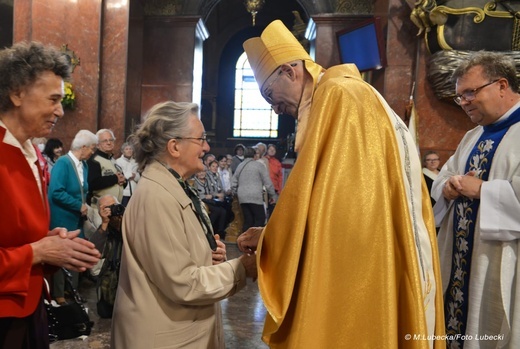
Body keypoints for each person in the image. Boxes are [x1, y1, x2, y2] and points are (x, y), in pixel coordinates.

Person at [237, 20, 445, 348]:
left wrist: (270, 244)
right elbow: (328, 202)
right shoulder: (343, 94)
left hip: (358, 267)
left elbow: (344, 215)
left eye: (269, 95)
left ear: (290, 71)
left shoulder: (340, 97)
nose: (275, 109)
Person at [111, 100, 257, 348]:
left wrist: (207, 252)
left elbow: (174, 256)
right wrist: (243, 267)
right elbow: (183, 283)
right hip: (164, 336)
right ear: (174, 146)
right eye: (200, 139)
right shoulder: (157, 197)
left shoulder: (174, 186)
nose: (207, 146)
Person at [0, 41, 100, 349]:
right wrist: (38, 252)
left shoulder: (34, 155)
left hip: (30, 310)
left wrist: (52, 242)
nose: (60, 110)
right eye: (53, 99)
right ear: (17, 94)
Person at [431, 51, 520, 348]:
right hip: (461, 261)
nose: (464, 101)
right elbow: (445, 177)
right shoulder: (472, 136)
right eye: (460, 96)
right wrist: (448, 188)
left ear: (502, 85)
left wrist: (482, 190)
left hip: (504, 261)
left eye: (470, 92)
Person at [48, 129, 98, 305]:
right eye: (92, 148)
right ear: (83, 147)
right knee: (62, 256)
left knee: (76, 254)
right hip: (62, 217)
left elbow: (83, 191)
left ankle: (72, 290)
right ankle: (59, 293)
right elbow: (55, 191)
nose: (93, 152)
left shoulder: (83, 165)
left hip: (76, 218)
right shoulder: (63, 163)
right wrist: (78, 205)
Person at [89, 194, 124, 318]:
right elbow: (93, 251)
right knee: (104, 312)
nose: (112, 210)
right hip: (112, 272)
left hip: (128, 272)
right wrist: (104, 223)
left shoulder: (130, 220)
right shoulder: (105, 228)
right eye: (106, 208)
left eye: (113, 206)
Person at [231, 147, 277, 232]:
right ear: (254, 155)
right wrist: (272, 195)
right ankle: (252, 241)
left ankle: (243, 241)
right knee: (260, 219)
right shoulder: (259, 165)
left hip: (242, 196)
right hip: (255, 196)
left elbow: (233, 181)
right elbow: (267, 182)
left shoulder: (240, 166)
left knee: (248, 220)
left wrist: (234, 192)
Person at [87, 129, 126, 210]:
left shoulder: (113, 160)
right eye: (105, 141)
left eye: (111, 140)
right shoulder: (94, 160)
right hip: (99, 209)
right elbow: (92, 183)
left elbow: (120, 180)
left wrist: (124, 181)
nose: (109, 143)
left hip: (115, 207)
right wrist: (115, 178)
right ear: (97, 144)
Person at [194, 170, 228, 239]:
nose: (201, 173)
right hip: (201, 201)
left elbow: (212, 192)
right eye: (199, 172)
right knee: (216, 211)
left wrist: (216, 195)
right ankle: (208, 229)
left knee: (223, 211)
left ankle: (220, 231)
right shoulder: (195, 182)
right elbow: (196, 194)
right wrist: (204, 196)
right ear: (196, 174)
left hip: (211, 200)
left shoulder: (208, 181)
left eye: (203, 172)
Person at [115, 142, 140, 207]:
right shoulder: (118, 161)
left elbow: (139, 178)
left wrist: (135, 176)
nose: (129, 150)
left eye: (130, 149)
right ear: (123, 151)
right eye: (127, 149)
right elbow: (119, 175)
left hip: (134, 191)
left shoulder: (135, 162)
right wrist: (129, 175)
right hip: (124, 192)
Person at [265, 143, 282, 218]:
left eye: (273, 150)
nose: (272, 151)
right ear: (267, 150)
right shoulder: (263, 160)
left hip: (274, 188)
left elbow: (280, 177)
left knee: (273, 209)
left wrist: (279, 190)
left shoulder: (277, 162)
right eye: (270, 149)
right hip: (264, 189)